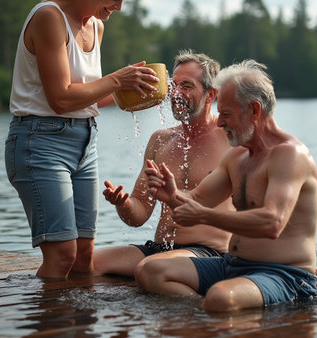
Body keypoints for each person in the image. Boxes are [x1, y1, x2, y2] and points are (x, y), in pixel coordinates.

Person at [4, 0, 159, 281]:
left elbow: (86, 99)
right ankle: (49, 327)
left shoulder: (96, 27)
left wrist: (133, 94)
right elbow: (60, 98)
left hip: (84, 142)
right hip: (38, 142)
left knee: (84, 257)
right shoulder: (49, 17)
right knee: (62, 256)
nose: (118, 8)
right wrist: (117, 79)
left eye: (124, 0)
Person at [136, 59, 317, 311]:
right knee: (151, 270)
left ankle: (217, 308)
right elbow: (198, 200)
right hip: (231, 266)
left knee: (221, 297)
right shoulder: (237, 156)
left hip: (284, 274)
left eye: (226, 114)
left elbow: (272, 222)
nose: (220, 122)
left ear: (254, 110)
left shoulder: (290, 155)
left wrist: (203, 215)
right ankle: (208, 314)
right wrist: (171, 195)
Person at [93, 50, 234, 277]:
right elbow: (139, 215)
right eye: (174, 85)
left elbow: (266, 204)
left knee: (150, 268)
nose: (176, 93)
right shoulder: (160, 139)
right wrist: (124, 204)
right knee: (86, 264)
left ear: (210, 95)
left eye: (186, 86)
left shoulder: (231, 137)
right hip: (161, 249)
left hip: (210, 253)